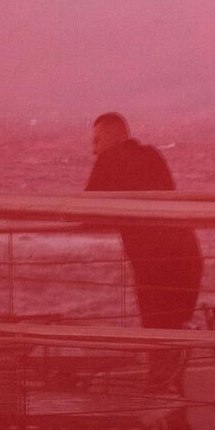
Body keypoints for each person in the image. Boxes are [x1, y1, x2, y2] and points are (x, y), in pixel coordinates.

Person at [85, 112, 203, 394]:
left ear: (112, 139)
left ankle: (164, 406)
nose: (94, 149)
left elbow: (88, 208)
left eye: (97, 141)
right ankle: (173, 405)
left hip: (155, 263)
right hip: (187, 257)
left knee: (158, 334)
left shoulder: (109, 159)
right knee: (170, 333)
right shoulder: (153, 155)